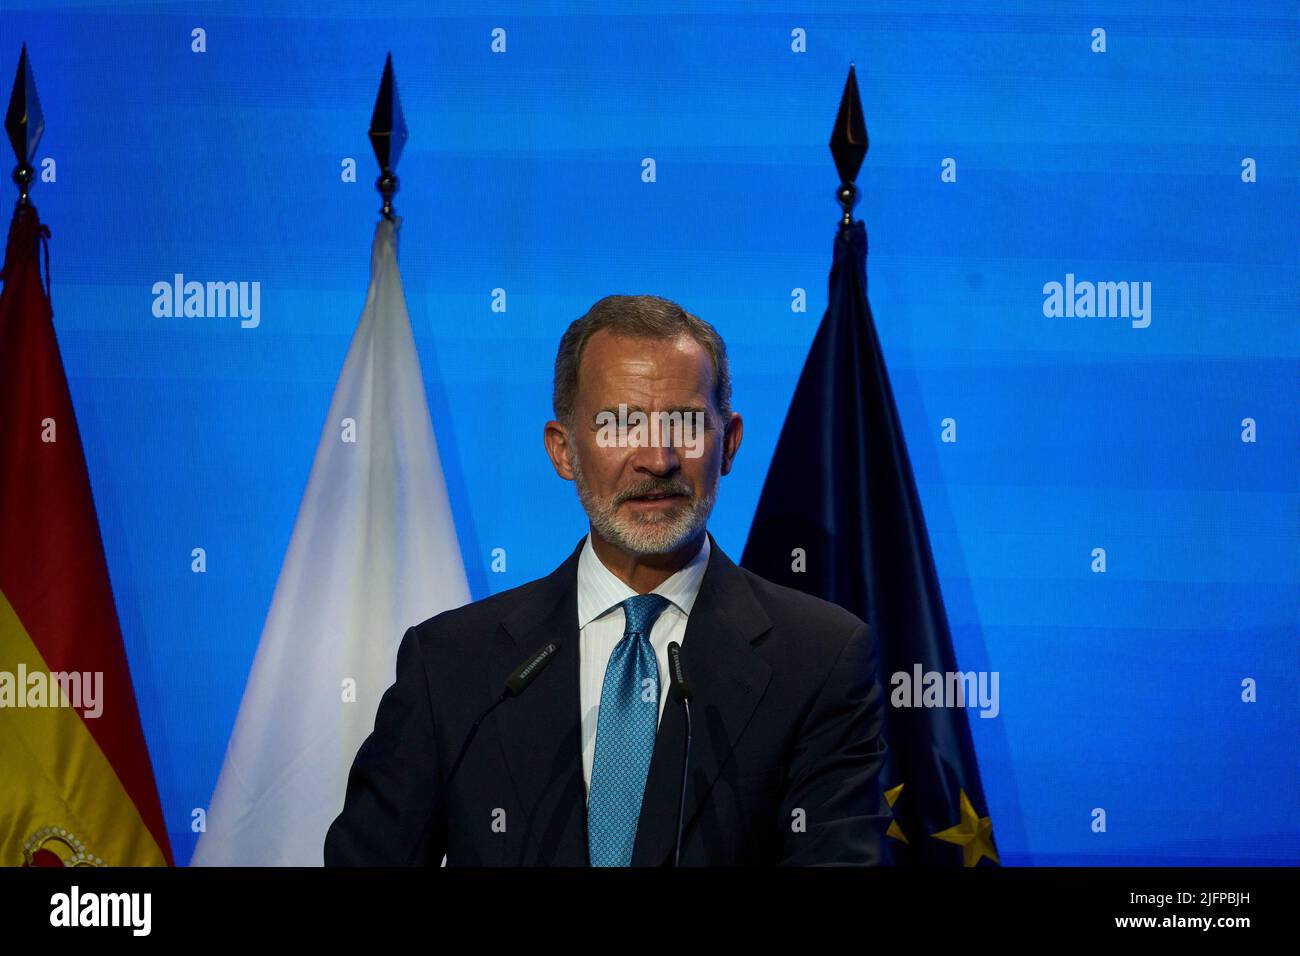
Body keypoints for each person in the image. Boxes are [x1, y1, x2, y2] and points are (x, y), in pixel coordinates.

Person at [324, 294, 890, 866]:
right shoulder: (450, 664)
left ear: (729, 444)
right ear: (563, 450)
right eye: (619, 424)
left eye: (686, 422)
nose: (657, 458)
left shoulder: (818, 659)